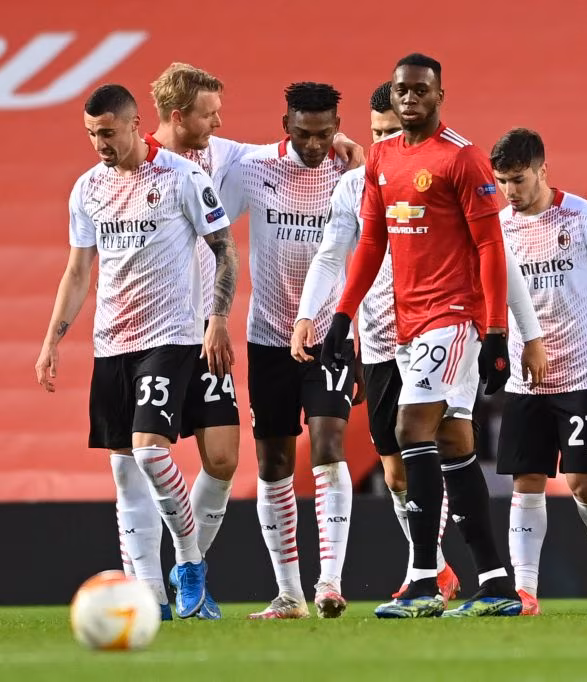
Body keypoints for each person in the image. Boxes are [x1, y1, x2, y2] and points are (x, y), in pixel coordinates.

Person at [292, 82, 547, 606]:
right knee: (434, 451)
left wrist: (514, 332)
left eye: (394, 127)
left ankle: (425, 577)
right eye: (378, 131)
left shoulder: (457, 161)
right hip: (389, 337)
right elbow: (349, 251)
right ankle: (493, 581)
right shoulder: (366, 177)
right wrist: (332, 317)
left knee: (414, 430)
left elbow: (496, 252)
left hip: (450, 320)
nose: (388, 137)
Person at [34, 84, 239, 619]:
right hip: (111, 343)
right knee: (126, 474)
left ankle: (189, 562)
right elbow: (78, 270)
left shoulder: (180, 176)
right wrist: (52, 340)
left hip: (170, 336)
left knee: (150, 452)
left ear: (133, 124)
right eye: (91, 134)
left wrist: (217, 318)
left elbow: (224, 251)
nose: (99, 143)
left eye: (106, 132)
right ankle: (149, 597)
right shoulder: (88, 188)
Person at [220, 82, 356, 620]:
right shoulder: (254, 168)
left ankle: (330, 583)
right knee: (274, 462)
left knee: (328, 445)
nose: (315, 144)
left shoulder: (351, 173)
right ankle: (288, 594)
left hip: (331, 335)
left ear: (336, 126)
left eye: (324, 133)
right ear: (286, 126)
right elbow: (213, 229)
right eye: (304, 134)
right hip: (268, 338)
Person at [489, 128, 587, 616]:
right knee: (526, 480)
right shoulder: (498, 227)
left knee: (583, 485)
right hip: (525, 379)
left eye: (519, 179)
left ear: (543, 170)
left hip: (582, 376)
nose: (510, 191)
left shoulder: (585, 218)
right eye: (502, 181)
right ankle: (525, 591)